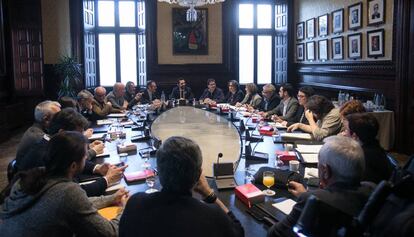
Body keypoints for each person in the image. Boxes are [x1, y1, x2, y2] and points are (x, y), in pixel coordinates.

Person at [0, 131, 129, 237]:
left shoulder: (31, 176)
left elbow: (76, 205)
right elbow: (110, 233)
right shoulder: (67, 191)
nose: (86, 159)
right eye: (85, 157)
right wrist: (125, 209)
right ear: (73, 166)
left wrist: (111, 198)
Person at [119, 136, 244, 237]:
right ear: (199, 175)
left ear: (158, 172)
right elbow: (239, 231)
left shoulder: (135, 204)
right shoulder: (213, 217)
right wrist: (209, 194)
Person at [268, 136, 372, 237]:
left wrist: (308, 196)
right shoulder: (372, 191)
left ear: (326, 171)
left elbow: (275, 234)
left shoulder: (314, 200)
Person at [15, 108, 125, 197]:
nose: (82, 138)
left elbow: (72, 163)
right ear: (63, 133)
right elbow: (73, 194)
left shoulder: (53, 145)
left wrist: (97, 168)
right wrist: (107, 180)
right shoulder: (44, 155)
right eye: (78, 134)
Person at [342, 113, 394, 183]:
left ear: (354, 136)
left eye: (346, 130)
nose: (343, 133)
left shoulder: (360, 159)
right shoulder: (375, 147)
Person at [15, 101, 61, 168]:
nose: (61, 120)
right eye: (57, 117)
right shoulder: (40, 139)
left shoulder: (33, 129)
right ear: (46, 120)